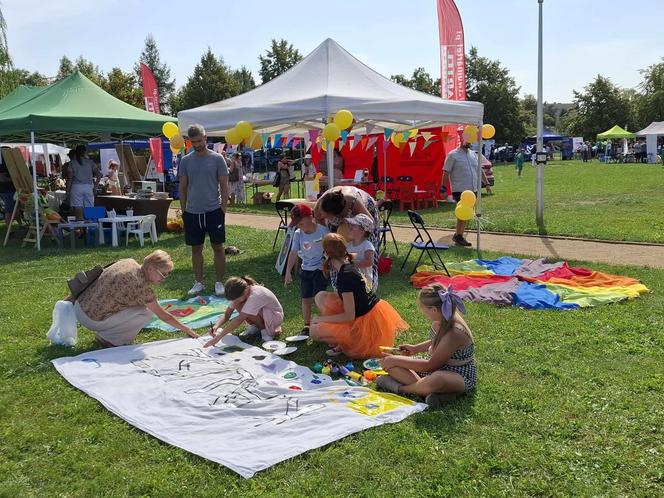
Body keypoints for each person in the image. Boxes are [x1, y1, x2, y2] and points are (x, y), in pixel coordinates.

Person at [376, 283, 476, 409]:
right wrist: (415, 348)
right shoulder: (441, 320)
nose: (424, 314)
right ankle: (433, 393)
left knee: (436, 380)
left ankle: (401, 389)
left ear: (434, 309)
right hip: (434, 369)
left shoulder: (455, 332)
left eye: (424, 310)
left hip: (456, 375)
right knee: (392, 366)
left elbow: (430, 366)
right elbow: (436, 341)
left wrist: (395, 359)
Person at [71, 250, 199, 347]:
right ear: (150, 268)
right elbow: (164, 316)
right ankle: (110, 340)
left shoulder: (128, 262)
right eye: (163, 274)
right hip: (90, 319)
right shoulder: (140, 287)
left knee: (139, 307)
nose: (164, 279)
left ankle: (108, 334)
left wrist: (70, 299)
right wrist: (188, 330)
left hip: (79, 306)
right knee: (147, 312)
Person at [310, 233, 408, 359]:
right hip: (365, 315)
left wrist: (321, 319)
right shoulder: (348, 265)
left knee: (313, 331)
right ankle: (340, 336)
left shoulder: (345, 276)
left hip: (365, 326)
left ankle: (347, 341)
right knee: (321, 296)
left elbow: (349, 316)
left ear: (326, 254)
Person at [178, 124, 229, 296]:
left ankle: (219, 282)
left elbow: (224, 184)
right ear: (189, 141)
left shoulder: (217, 159)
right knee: (196, 249)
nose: (197, 144)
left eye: (199, 141)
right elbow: (183, 187)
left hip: (214, 210)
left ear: (205, 138)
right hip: (192, 213)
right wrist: (184, 210)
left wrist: (223, 208)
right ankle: (198, 282)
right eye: (193, 142)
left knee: (218, 247)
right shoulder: (185, 161)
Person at [314, 185, 381, 290]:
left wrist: (359, 241)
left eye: (326, 215)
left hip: (365, 215)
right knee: (334, 248)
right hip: (338, 213)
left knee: (368, 246)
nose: (323, 217)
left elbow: (370, 226)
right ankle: (339, 286)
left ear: (337, 214)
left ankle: (369, 287)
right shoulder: (321, 205)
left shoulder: (353, 202)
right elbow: (319, 220)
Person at [284, 204, 329, 336]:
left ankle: (323, 324)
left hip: (319, 270)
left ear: (310, 217)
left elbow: (330, 251)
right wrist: (288, 272)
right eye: (297, 224)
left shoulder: (323, 231)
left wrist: (326, 264)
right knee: (305, 298)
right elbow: (293, 252)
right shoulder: (298, 234)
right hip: (305, 270)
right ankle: (307, 325)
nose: (299, 226)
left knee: (319, 298)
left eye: (301, 223)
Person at [205, 276, 284, 346]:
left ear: (245, 291)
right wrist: (216, 326)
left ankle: (265, 330)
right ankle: (255, 326)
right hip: (262, 314)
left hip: (274, 316)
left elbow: (240, 319)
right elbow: (227, 314)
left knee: (247, 309)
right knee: (240, 305)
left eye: (237, 299)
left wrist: (219, 336)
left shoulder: (255, 295)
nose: (236, 301)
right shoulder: (240, 294)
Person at [441, 139, 478, 247]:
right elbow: (446, 172)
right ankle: (459, 236)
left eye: (470, 140)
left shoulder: (473, 154)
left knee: (467, 213)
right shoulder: (453, 155)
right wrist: (443, 188)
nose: (468, 142)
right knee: (462, 212)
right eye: (466, 140)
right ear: (461, 140)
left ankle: (458, 235)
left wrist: (487, 184)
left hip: (472, 189)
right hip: (460, 189)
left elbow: (478, 170)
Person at [342, 213, 377, 291]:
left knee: (361, 300)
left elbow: (369, 262)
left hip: (364, 282)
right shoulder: (348, 245)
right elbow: (346, 260)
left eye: (353, 226)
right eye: (349, 225)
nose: (349, 228)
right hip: (351, 279)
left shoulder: (367, 245)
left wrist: (352, 266)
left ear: (362, 231)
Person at [68, 145, 101, 220]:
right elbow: (99, 175)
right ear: (85, 152)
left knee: (78, 208)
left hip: (76, 187)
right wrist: (95, 187)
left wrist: (67, 191)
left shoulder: (72, 163)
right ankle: (92, 227)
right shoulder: (90, 162)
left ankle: (80, 229)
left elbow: (69, 179)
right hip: (89, 187)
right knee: (90, 208)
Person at [0, 147, 16, 225]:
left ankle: (19, 223)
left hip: (8, 189)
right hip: (7, 190)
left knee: (14, 208)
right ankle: (9, 230)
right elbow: (2, 178)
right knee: (9, 210)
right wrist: (14, 179)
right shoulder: (2, 163)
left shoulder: (6, 162)